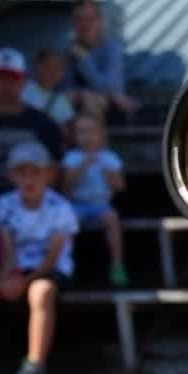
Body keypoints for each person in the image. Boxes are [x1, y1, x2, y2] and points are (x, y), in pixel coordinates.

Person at [0, 140, 78, 374]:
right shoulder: (4, 205)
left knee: (41, 291)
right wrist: (6, 279)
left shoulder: (62, 208)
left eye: (35, 173)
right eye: (21, 173)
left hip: (48, 272)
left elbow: (52, 257)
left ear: (47, 174)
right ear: (12, 175)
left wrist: (24, 281)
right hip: (13, 272)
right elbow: (7, 249)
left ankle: (35, 365)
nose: (29, 180)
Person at [0, 47, 65, 231]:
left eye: (12, 78)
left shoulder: (46, 125)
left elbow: (55, 173)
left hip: (40, 212)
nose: (5, 85)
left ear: (23, 81)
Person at [61, 112, 129, 287]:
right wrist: (82, 166)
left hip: (101, 205)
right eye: (82, 132)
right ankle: (65, 265)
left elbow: (120, 187)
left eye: (92, 131)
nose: (87, 136)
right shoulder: (71, 158)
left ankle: (117, 264)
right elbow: (66, 188)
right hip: (76, 206)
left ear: (100, 134)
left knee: (112, 219)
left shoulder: (109, 158)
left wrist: (110, 175)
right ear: (74, 136)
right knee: (66, 223)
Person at [62, 0, 140, 120]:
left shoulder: (112, 47)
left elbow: (108, 87)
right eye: (79, 19)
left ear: (99, 21)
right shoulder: (69, 48)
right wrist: (80, 93)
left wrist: (84, 58)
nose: (84, 25)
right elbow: (64, 86)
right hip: (77, 108)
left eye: (89, 19)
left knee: (91, 99)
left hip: (114, 110)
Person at [22, 48, 76, 132]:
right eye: (48, 66)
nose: (53, 72)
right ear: (36, 66)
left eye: (58, 69)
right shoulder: (19, 89)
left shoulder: (62, 101)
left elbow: (67, 129)